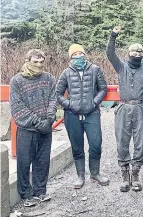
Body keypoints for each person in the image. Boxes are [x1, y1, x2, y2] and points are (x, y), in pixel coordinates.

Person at [56, 44, 109, 189]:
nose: (78, 56)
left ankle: (95, 173)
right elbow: (58, 94)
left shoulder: (95, 69)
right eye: (75, 54)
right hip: (72, 115)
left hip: (92, 113)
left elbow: (103, 88)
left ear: (85, 55)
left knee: (96, 145)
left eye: (80, 53)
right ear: (70, 57)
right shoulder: (66, 73)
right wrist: (68, 104)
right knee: (77, 147)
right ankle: (80, 175)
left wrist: (94, 102)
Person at [106, 26, 143, 192]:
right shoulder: (121, 67)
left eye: (139, 53)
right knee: (122, 142)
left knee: (140, 142)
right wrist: (113, 36)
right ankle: (125, 175)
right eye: (134, 52)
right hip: (123, 107)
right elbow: (110, 53)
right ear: (129, 54)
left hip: (140, 108)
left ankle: (136, 174)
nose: (137, 55)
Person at [10, 49, 57, 207]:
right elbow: (17, 107)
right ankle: (26, 195)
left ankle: (40, 191)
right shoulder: (17, 81)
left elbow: (53, 99)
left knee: (42, 162)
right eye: (35, 62)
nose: (39, 65)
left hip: (46, 128)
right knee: (24, 163)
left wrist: (49, 119)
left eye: (41, 62)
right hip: (27, 130)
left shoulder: (49, 78)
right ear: (27, 60)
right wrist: (37, 122)